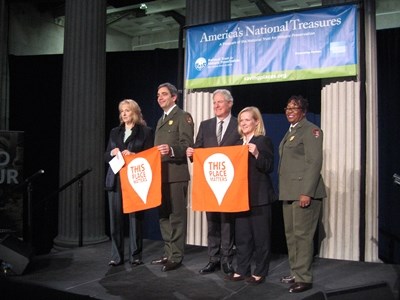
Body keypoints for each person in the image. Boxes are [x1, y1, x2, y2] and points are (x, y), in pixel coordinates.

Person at [186, 89, 241, 275]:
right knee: (212, 222)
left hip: (229, 183)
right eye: (214, 102)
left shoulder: (238, 124)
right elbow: (198, 148)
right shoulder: (205, 125)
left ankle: (227, 259)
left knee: (227, 222)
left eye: (220, 102)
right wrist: (192, 153)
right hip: (210, 182)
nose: (216, 105)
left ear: (230, 103)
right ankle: (213, 259)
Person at [278, 95, 327, 293]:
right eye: (288, 108)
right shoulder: (291, 131)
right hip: (289, 193)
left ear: (304, 111)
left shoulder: (311, 131)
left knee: (302, 236)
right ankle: (295, 271)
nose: (290, 111)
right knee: (291, 236)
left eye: (295, 108)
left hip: (304, 193)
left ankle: (304, 278)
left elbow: (314, 163)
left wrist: (306, 192)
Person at [225, 106, 275, 284]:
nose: (244, 123)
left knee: (261, 238)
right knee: (242, 237)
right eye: (241, 120)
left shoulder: (262, 141)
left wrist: (256, 154)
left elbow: (269, 166)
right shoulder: (237, 144)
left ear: (256, 122)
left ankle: (260, 272)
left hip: (260, 198)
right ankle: (242, 269)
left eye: (247, 119)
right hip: (241, 198)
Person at [104, 99, 154, 267]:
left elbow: (149, 157)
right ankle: (116, 256)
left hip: (135, 181)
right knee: (115, 220)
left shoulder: (145, 132)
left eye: (127, 110)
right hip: (116, 179)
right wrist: (112, 152)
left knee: (135, 220)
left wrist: (133, 155)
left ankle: (136, 255)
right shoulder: (114, 132)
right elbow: (105, 156)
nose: (124, 114)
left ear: (135, 113)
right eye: (122, 111)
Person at [151, 82, 194, 272]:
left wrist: (172, 150)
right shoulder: (161, 120)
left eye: (164, 94)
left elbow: (187, 145)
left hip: (176, 175)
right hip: (160, 175)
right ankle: (168, 252)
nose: (160, 98)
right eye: (158, 95)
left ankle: (176, 256)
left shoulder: (183, 117)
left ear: (174, 97)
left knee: (176, 217)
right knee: (163, 217)